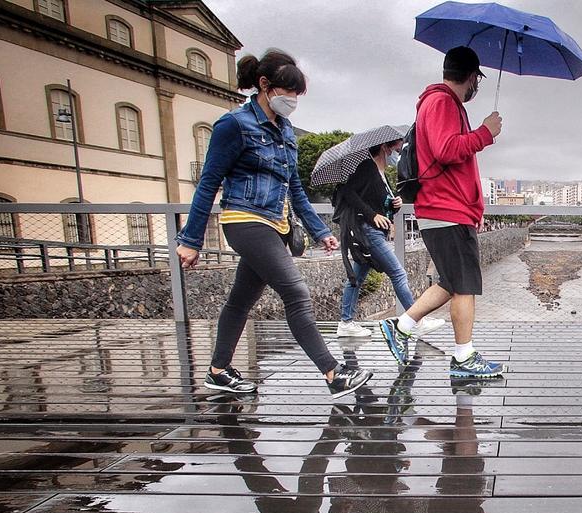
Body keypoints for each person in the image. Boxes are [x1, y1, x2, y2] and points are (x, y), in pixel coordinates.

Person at [175, 49, 371, 399]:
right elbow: (208, 182)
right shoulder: (233, 125)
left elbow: (295, 188)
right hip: (244, 220)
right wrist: (191, 239)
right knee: (296, 293)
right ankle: (332, 373)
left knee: (240, 300)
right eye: (288, 91)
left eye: (297, 94)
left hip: (275, 224)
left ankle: (218, 371)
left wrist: (320, 230)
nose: (293, 99)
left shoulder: (286, 132)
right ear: (264, 85)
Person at [380, 46, 505, 379]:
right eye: (477, 78)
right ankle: (464, 358)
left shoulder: (440, 103)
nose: (477, 85)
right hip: (447, 208)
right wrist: (485, 133)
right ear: (471, 76)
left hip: (446, 208)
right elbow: (446, 150)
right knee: (464, 286)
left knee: (451, 282)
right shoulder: (442, 103)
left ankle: (401, 326)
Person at [331, 133, 446, 339]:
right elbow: (348, 192)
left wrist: (393, 206)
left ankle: (346, 322)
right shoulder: (368, 167)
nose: (398, 152)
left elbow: (381, 207)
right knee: (398, 273)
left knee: (356, 278)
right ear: (385, 147)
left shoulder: (382, 174)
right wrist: (371, 214)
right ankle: (415, 321)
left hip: (373, 233)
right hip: (368, 232)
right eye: (396, 148)